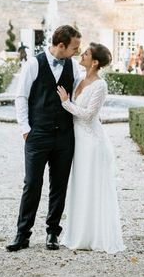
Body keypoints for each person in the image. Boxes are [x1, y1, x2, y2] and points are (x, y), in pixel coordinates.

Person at [7, 25, 82, 252]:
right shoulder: (33, 64)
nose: (77, 51)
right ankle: (23, 235)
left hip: (65, 137)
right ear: (61, 46)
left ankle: (52, 233)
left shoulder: (75, 67)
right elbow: (21, 97)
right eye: (74, 47)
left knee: (59, 186)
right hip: (37, 134)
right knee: (32, 184)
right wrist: (25, 128)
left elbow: (79, 98)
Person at [56, 43, 124, 254]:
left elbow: (88, 115)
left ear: (95, 62)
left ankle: (95, 235)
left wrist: (66, 103)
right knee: (80, 185)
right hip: (79, 141)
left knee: (91, 186)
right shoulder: (80, 78)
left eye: (86, 53)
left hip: (92, 143)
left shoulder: (100, 85)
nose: (81, 54)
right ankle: (79, 234)